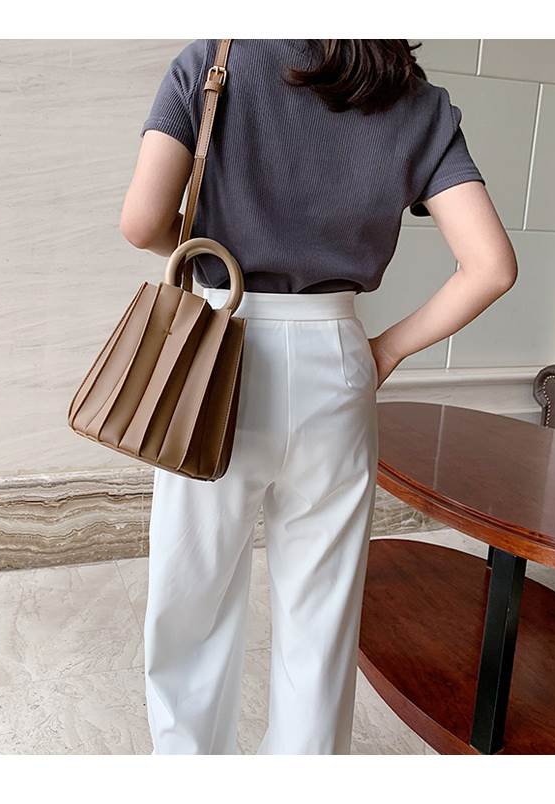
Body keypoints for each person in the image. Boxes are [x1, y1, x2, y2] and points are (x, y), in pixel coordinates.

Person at [120, 39, 517, 755]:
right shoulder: (415, 101)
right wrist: (385, 351)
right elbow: (490, 267)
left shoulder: (213, 62)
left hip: (218, 351)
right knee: (321, 612)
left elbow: (142, 223)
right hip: (337, 358)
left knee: (193, 598)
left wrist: (217, 255)